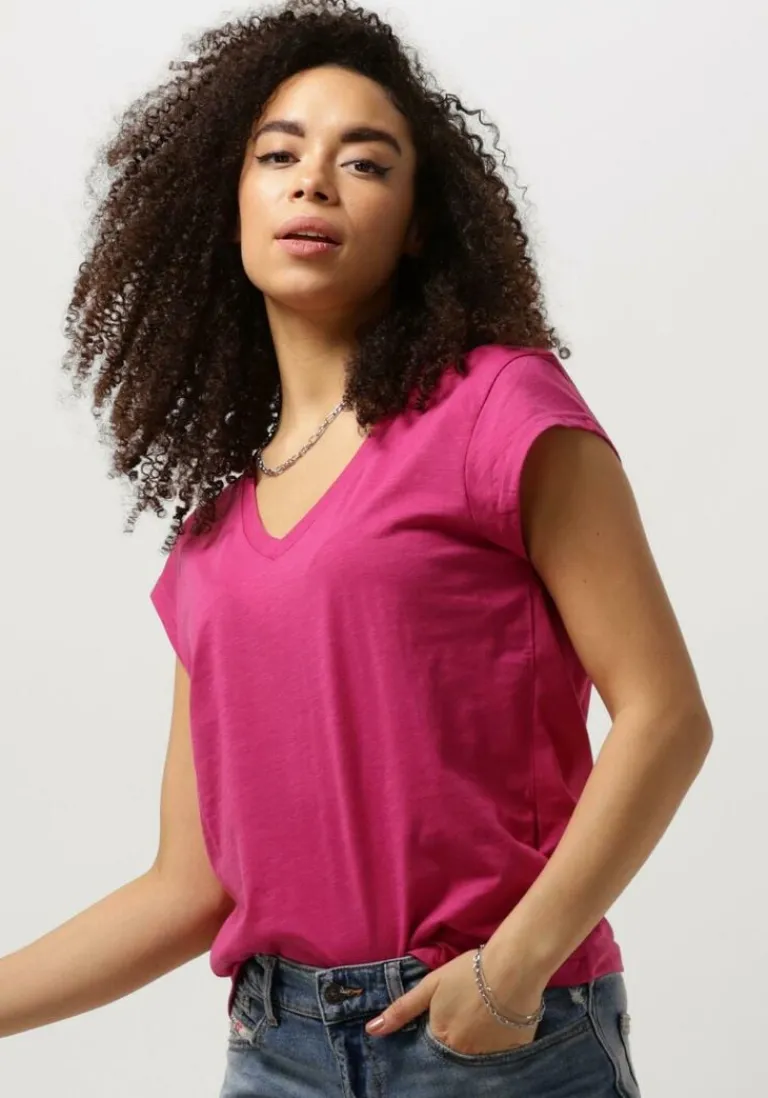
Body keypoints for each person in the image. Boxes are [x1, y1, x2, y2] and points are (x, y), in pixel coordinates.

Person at [1, 1, 713, 1095]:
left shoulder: (499, 410)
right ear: (229, 206)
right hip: (274, 1050)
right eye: (278, 155)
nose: (314, 183)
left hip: (493, 1040)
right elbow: (189, 890)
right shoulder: (209, 547)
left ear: (419, 224)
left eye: (365, 162)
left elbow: (666, 715)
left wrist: (511, 974)